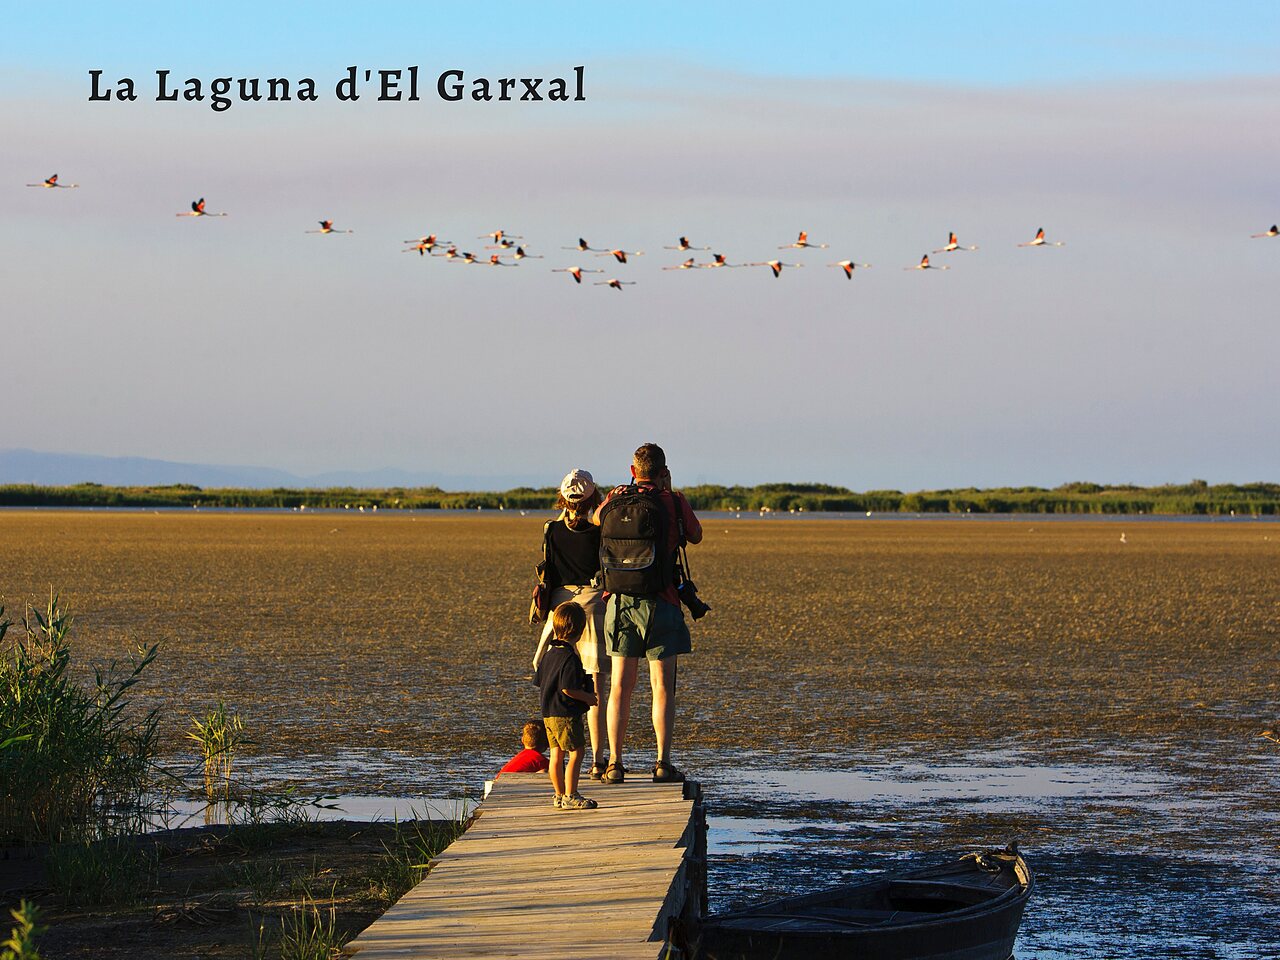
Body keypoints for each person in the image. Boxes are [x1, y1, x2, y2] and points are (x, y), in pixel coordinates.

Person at [593, 443, 702, 785]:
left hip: (620, 601)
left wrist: (620, 496)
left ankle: (614, 763)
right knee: (661, 688)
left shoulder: (616, 496)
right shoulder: (673, 500)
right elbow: (696, 535)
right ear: (663, 471)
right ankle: (662, 763)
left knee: (620, 687)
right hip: (663, 602)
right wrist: (668, 493)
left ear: (632, 470)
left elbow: (597, 519)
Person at [532, 468, 609, 779]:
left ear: (562, 497)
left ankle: (560, 757)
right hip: (593, 605)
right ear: (593, 497)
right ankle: (598, 759)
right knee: (595, 687)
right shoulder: (599, 531)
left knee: (556, 680)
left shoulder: (550, 529)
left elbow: (547, 570)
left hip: (559, 608)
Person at [532, 602, 599, 810]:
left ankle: (558, 794)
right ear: (580, 631)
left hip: (548, 713)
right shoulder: (569, 657)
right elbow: (568, 689)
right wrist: (588, 697)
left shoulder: (549, 655)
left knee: (556, 754)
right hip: (565, 714)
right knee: (577, 752)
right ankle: (571, 794)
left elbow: (540, 682)